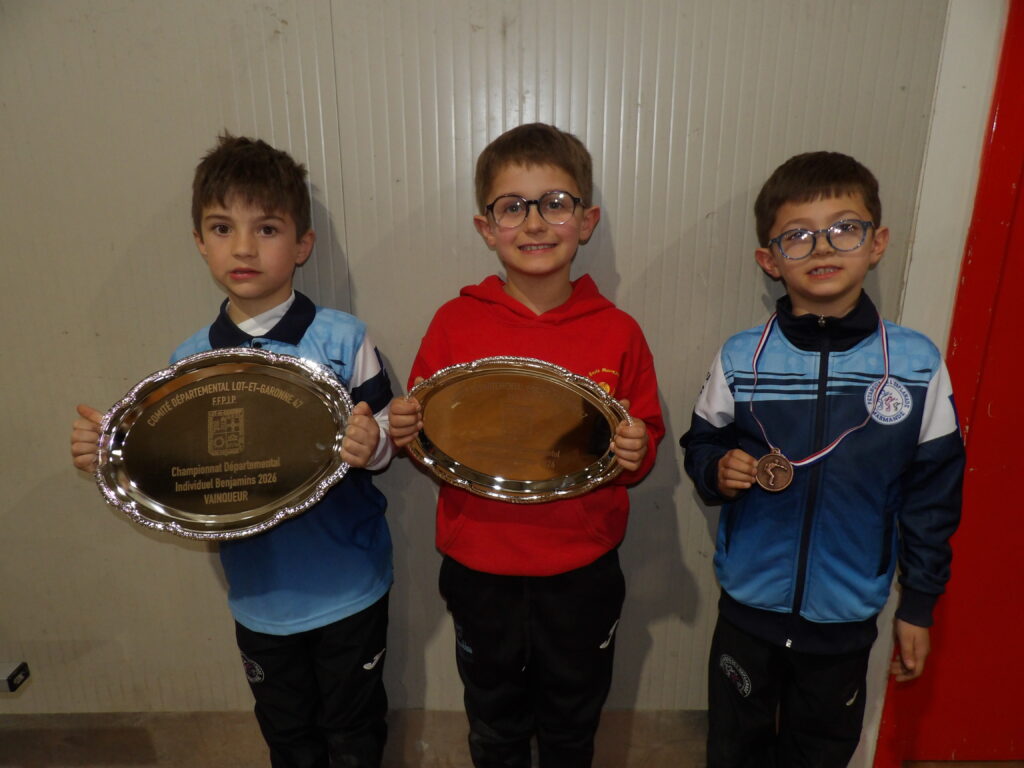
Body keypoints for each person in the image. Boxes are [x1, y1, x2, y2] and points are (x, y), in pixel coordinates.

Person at [69, 134, 395, 768]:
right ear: (199, 241)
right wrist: (110, 454)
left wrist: (371, 442)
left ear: (302, 244)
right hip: (258, 597)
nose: (243, 247)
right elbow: (176, 473)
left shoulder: (343, 338)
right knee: (288, 739)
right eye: (223, 228)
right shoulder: (189, 361)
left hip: (350, 587)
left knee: (355, 736)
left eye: (266, 228)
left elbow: (386, 441)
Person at [388, 122, 665, 768]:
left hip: (582, 569)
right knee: (494, 722)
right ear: (486, 228)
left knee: (573, 724)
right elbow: (429, 433)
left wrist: (635, 450)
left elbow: (644, 439)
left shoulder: (619, 332)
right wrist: (405, 431)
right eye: (513, 207)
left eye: (555, 203)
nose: (535, 223)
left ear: (586, 221)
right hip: (480, 566)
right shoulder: (454, 324)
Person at [680, 151, 965, 767]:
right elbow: (700, 444)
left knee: (822, 753)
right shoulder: (741, 358)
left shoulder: (916, 365)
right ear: (770, 260)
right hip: (749, 611)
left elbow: (933, 498)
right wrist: (717, 470)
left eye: (844, 228)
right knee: (733, 750)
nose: (822, 247)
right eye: (798, 236)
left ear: (876, 242)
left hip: (845, 617)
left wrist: (918, 605)